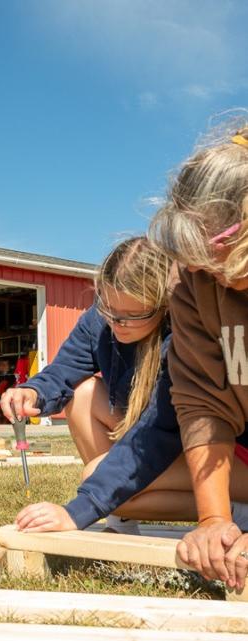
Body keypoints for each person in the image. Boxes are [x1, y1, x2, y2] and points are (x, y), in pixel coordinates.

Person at [1, 237, 248, 536]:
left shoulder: (182, 336)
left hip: (226, 453)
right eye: (110, 310)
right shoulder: (100, 320)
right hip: (171, 442)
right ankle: (120, 510)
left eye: (133, 316)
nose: (117, 324)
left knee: (97, 477)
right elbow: (64, 369)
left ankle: (232, 511)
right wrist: (34, 392)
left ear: (163, 307)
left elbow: (158, 433)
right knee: (83, 395)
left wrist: (82, 508)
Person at [149, 124, 248, 592]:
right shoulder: (194, 282)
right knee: (113, 484)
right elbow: (202, 402)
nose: (199, 270)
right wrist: (213, 519)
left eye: (211, 252)